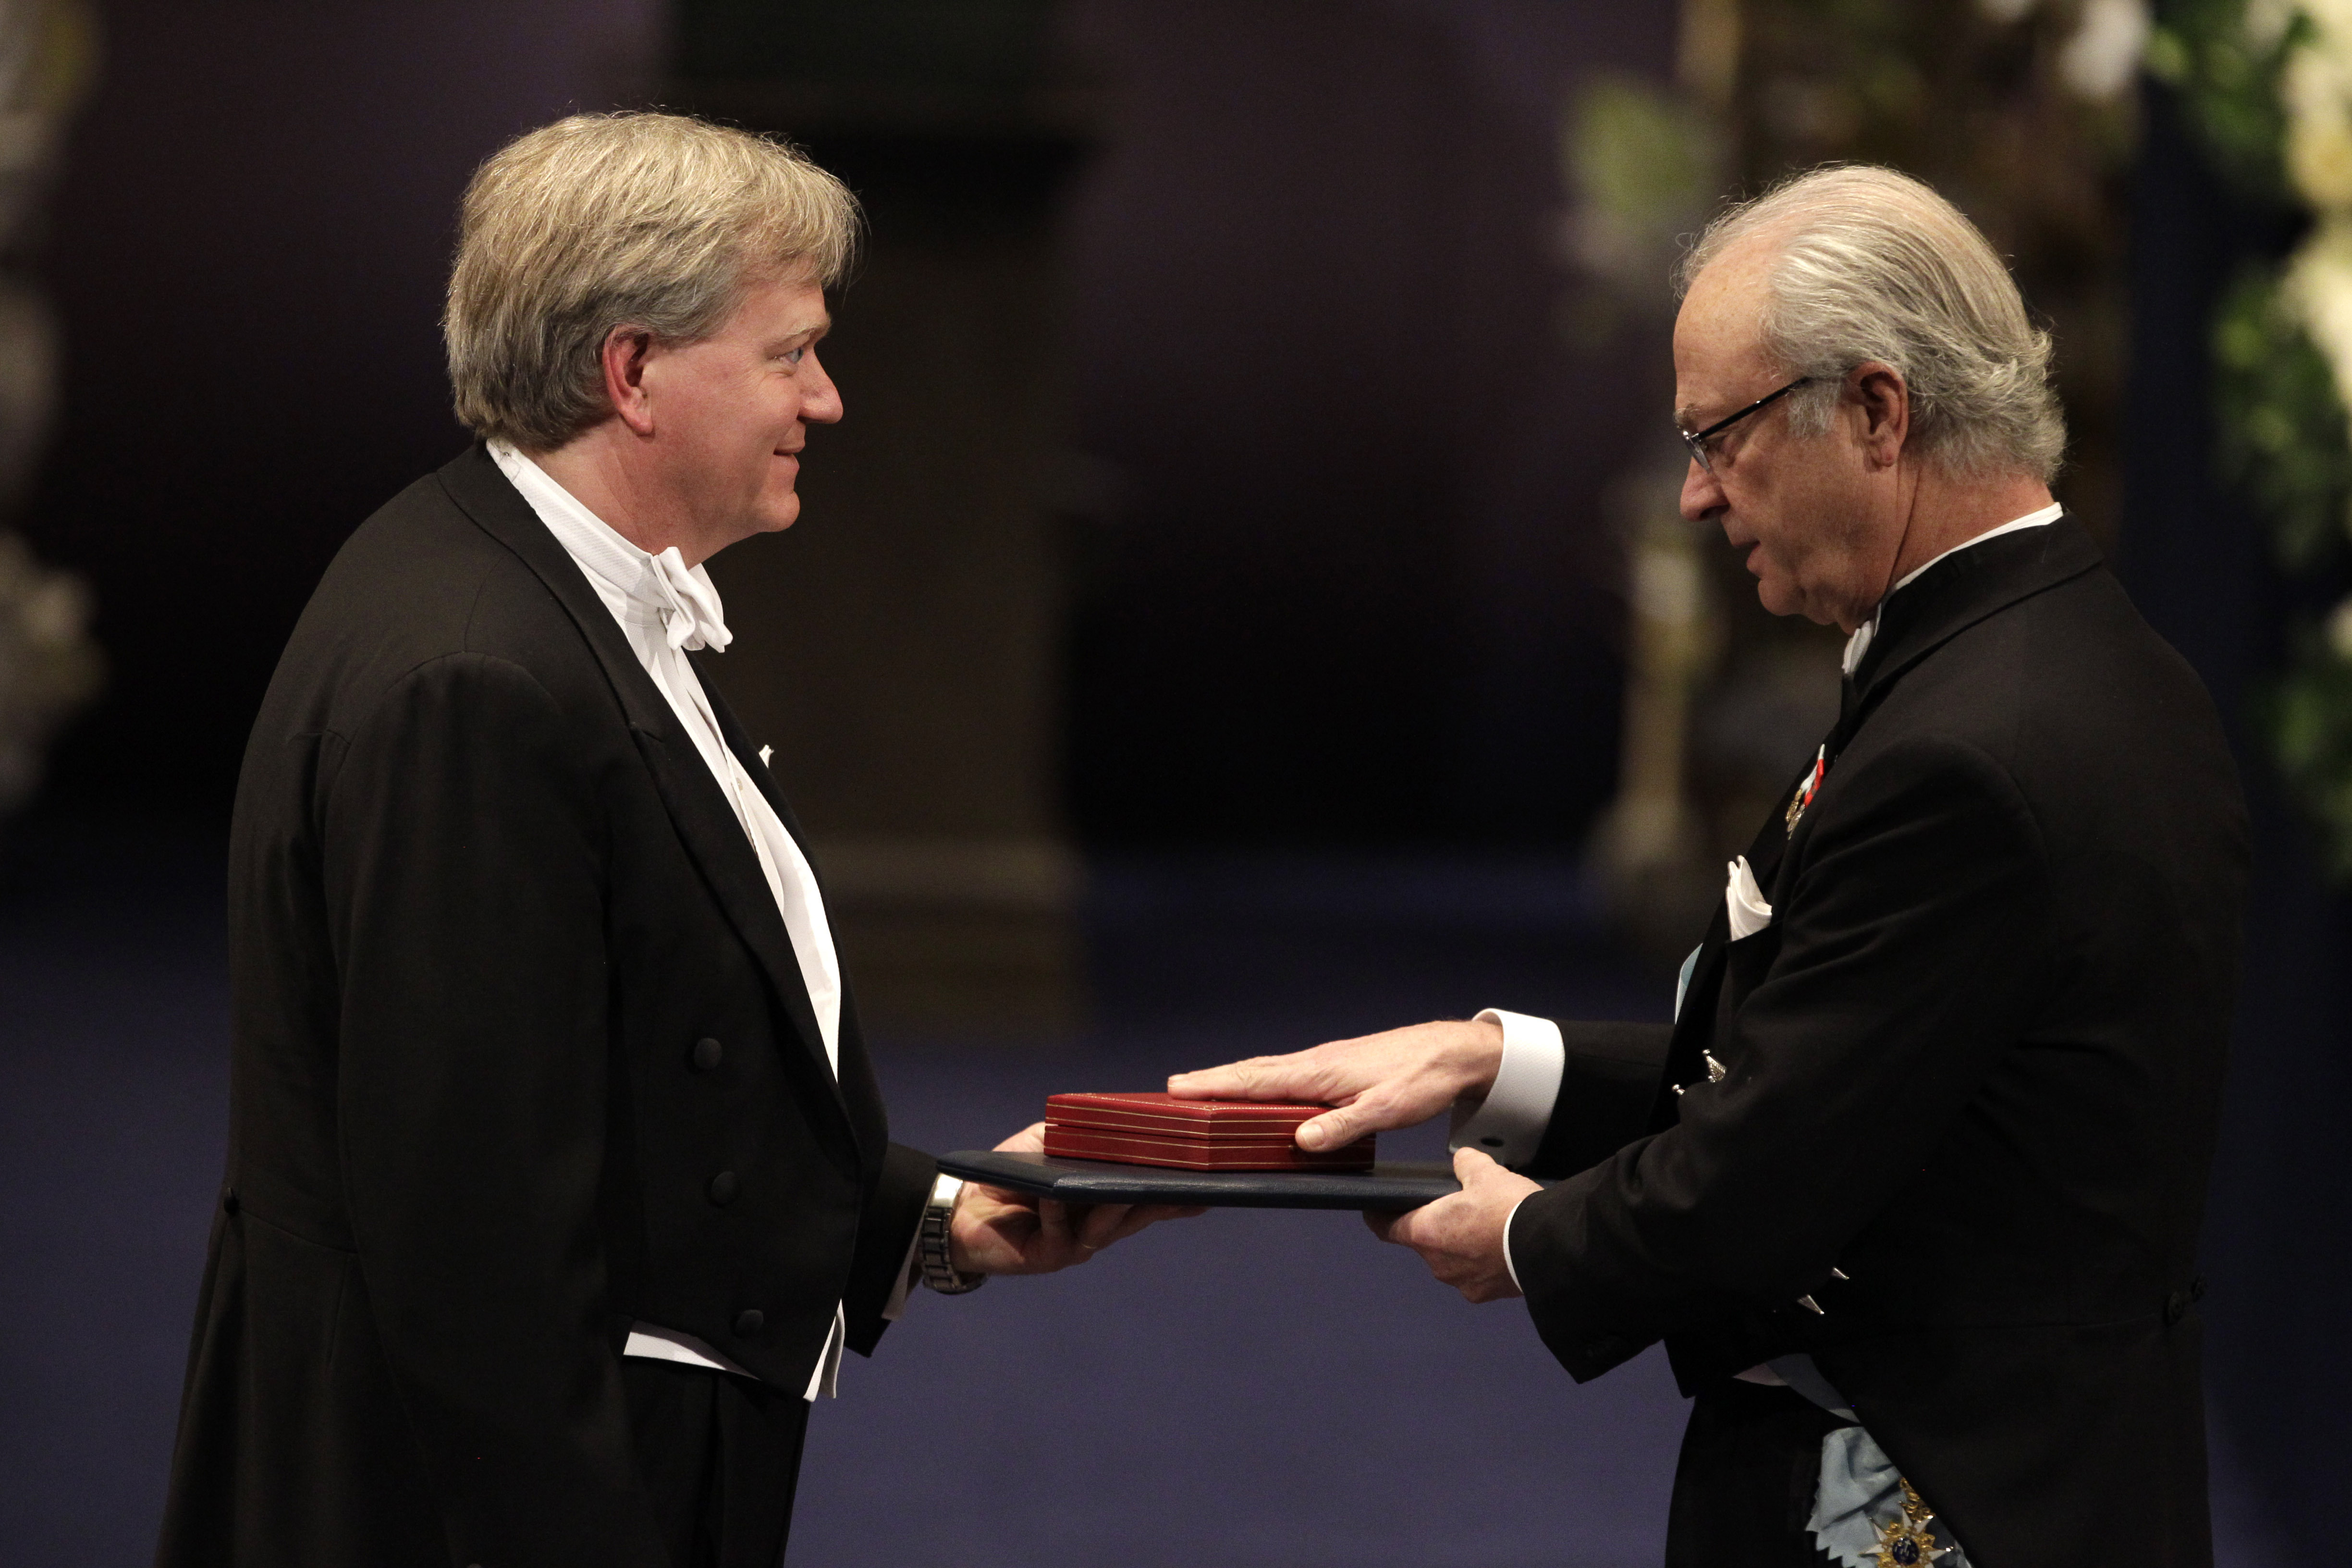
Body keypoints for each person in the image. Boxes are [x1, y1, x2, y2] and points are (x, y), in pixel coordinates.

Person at [155, 111, 1190, 1568]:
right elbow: (469, 1242)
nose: (825, 401)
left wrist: (926, 1222)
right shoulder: (478, 676)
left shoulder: (552, 591)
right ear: (631, 372)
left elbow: (635, 1070)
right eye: (791, 354)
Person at [1174, 165, 2248, 1567]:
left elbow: (1772, 1172)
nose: (1692, 498)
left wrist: (1533, 1242)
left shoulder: (1974, 745)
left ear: (1876, 410)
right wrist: (1492, 1060)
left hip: (1942, 1490)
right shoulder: (2051, 656)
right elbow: (1852, 1058)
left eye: (1720, 438)